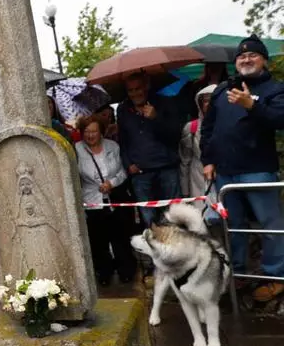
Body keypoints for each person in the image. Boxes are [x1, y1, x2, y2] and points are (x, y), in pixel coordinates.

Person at [201, 34, 284, 302]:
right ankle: (237, 274)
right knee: (233, 227)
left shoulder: (275, 89)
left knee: (269, 225)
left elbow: (279, 120)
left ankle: (275, 276)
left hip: (258, 169)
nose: (246, 59)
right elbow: (209, 129)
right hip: (226, 171)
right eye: (241, 56)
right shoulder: (222, 90)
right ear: (235, 62)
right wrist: (208, 160)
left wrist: (253, 105)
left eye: (252, 55)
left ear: (263, 60)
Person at [75, 115, 137, 285]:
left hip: (115, 197)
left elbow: (123, 172)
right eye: (86, 132)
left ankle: (126, 270)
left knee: (120, 236)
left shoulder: (113, 146)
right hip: (91, 199)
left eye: (94, 131)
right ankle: (104, 272)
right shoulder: (77, 149)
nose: (90, 135)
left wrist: (112, 183)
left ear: (101, 132)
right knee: (98, 239)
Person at [117, 72, 182, 228]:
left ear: (146, 86)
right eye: (130, 90)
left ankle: (177, 249)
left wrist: (155, 118)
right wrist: (128, 164)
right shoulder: (123, 109)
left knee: (174, 214)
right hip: (140, 173)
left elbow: (176, 134)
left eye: (138, 88)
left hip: (167, 167)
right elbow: (122, 140)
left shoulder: (165, 103)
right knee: (149, 219)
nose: (134, 93)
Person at [179, 84, 220, 229]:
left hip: (225, 177)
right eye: (206, 100)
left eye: (214, 99)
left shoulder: (232, 125)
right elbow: (185, 161)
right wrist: (185, 192)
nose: (210, 104)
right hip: (197, 181)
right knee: (202, 222)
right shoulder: (191, 128)